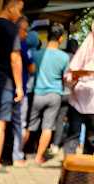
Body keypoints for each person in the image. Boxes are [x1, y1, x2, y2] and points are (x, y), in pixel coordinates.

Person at [0, 0, 24, 177]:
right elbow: (15, 58)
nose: (19, 14)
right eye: (19, 9)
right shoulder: (12, 28)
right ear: (10, 6)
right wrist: (19, 86)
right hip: (5, 82)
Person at [25, 23, 70, 165]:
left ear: (47, 36)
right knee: (47, 127)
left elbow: (31, 70)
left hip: (38, 93)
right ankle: (39, 157)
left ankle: (18, 153)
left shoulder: (38, 54)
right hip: (55, 95)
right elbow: (66, 78)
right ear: (61, 38)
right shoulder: (64, 57)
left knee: (29, 126)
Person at [64, 23, 94, 155]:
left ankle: (85, 170)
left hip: (84, 102)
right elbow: (69, 75)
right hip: (78, 102)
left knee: (88, 138)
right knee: (76, 137)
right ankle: (71, 169)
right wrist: (79, 75)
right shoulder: (84, 51)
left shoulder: (84, 49)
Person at [12, 15, 35, 167]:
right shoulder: (23, 44)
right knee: (20, 123)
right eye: (25, 30)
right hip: (20, 90)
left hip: (6, 88)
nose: (26, 34)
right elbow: (32, 67)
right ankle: (17, 156)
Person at [51, 38, 79, 155]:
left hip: (61, 92)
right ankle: (71, 146)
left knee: (59, 120)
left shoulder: (62, 56)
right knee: (73, 121)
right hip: (72, 94)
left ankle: (56, 145)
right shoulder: (78, 59)